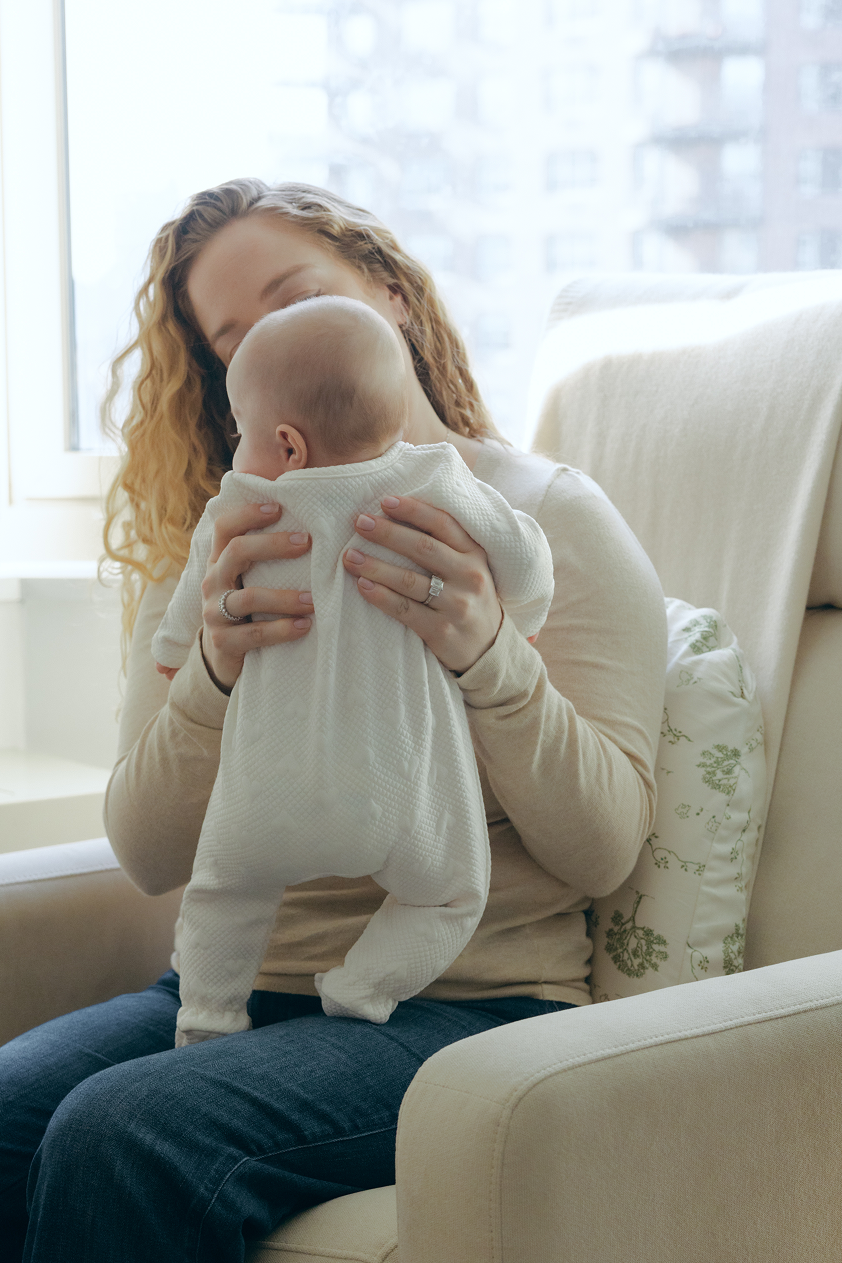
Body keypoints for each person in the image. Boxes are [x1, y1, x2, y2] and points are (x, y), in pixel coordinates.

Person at [0, 179, 667, 1262]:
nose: (273, 337)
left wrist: (486, 656)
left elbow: (599, 850)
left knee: (122, 1133)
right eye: (234, 337)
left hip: (465, 1004)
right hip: (235, 987)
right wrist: (213, 671)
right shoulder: (229, 534)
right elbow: (146, 847)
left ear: (390, 297)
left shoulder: (539, 520)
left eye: (293, 294)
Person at [152, 295, 553, 1043]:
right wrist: (517, 618)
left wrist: (185, 658)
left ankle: (207, 1018)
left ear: (287, 446)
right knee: (447, 900)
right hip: (401, 794)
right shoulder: (436, 480)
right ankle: (362, 989)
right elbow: (526, 558)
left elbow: (181, 632)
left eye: (241, 433)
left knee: (222, 894)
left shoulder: (240, 506)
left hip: (266, 794)